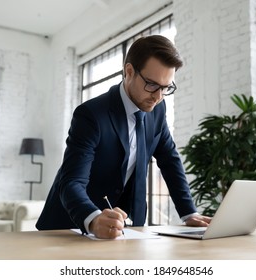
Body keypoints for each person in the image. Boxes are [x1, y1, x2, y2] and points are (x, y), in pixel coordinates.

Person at [36, 35, 211, 239]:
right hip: (69, 226)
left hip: (125, 229)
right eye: (153, 85)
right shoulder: (91, 115)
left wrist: (189, 212)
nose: (158, 96)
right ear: (129, 71)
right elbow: (71, 181)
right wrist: (92, 219)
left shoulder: (158, 109)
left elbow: (169, 159)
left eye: (166, 88)